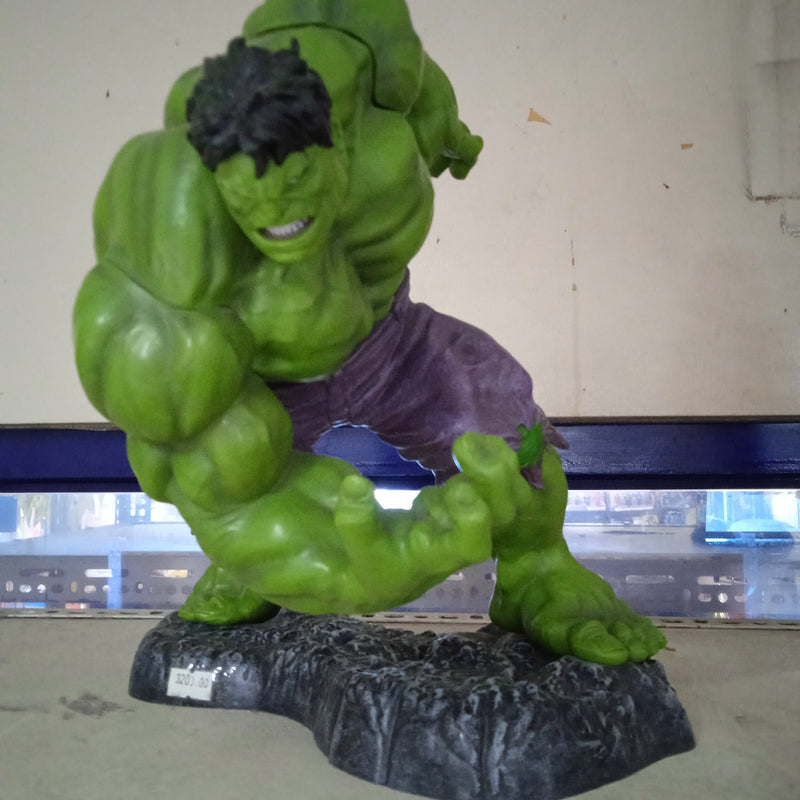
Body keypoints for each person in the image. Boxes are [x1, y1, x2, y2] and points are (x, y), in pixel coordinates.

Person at [74, 2, 665, 664]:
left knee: (506, 429)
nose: (275, 208)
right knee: (225, 458)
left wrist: (449, 136)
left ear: (340, 142)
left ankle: (539, 567)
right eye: (249, 195)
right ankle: (246, 570)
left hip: (390, 342)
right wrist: (273, 544)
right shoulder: (172, 203)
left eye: (297, 179)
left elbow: (418, 86)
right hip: (261, 375)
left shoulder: (385, 108)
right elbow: (177, 425)